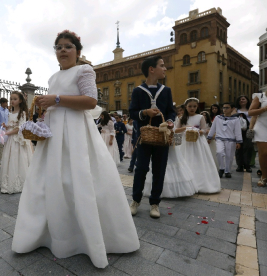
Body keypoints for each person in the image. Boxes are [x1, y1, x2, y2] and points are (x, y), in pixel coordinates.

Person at [12, 30, 139, 268]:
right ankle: (53, 234)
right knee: (52, 181)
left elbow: (90, 101)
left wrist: (56, 99)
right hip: (54, 133)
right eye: (58, 46)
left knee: (78, 180)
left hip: (76, 133)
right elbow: (55, 103)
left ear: (77, 52)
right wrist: (44, 106)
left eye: (68, 46)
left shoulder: (84, 70)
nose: (62, 50)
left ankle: (84, 238)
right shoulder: (52, 77)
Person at [128, 55, 176, 218]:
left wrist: (169, 121)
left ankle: (155, 203)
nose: (165, 68)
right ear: (151, 69)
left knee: (159, 170)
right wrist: (145, 112)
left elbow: (171, 110)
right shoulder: (138, 91)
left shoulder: (166, 90)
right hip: (144, 136)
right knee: (141, 168)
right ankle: (135, 200)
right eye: (162, 65)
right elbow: (133, 112)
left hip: (161, 137)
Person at [176, 98, 220, 193]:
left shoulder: (200, 117)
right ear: (186, 107)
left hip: (198, 142)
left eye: (194, 106)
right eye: (190, 106)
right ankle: (185, 183)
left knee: (198, 160)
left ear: (197, 107)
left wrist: (198, 131)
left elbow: (204, 129)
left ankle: (199, 183)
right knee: (185, 159)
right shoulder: (181, 118)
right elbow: (176, 130)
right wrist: (186, 128)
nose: (192, 108)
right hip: (185, 141)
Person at [0, 92, 32, 194]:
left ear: (20, 101)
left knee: (18, 158)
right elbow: (12, 125)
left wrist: (7, 133)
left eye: (15, 99)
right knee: (10, 159)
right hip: (11, 140)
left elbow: (19, 128)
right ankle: (9, 181)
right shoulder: (10, 113)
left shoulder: (22, 113)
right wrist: (6, 126)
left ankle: (20, 182)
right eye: (11, 99)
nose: (12, 101)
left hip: (17, 139)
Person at [208, 102, 242, 179]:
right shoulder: (218, 118)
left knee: (229, 156)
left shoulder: (235, 119)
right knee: (219, 152)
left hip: (231, 140)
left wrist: (238, 141)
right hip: (219, 138)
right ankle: (221, 168)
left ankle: (227, 171)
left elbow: (237, 131)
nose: (225, 109)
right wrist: (209, 137)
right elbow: (213, 128)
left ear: (232, 109)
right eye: (223, 107)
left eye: (227, 108)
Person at [248, 92, 267, 186]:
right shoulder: (260, 96)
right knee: (263, 153)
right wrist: (264, 109)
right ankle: (264, 176)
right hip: (262, 126)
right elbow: (250, 112)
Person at [235, 95, 252, 172]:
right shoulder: (236, 110)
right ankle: (239, 165)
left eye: (243, 99)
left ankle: (247, 165)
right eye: (240, 99)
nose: (241, 100)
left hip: (248, 129)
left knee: (248, 147)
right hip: (238, 130)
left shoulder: (251, 109)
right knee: (239, 148)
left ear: (247, 100)